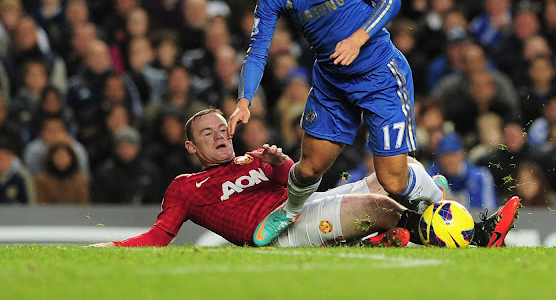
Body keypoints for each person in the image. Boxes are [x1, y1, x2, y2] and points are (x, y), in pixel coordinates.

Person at [228, 0, 445, 247]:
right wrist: (244, 101)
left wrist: (358, 38)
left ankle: (437, 196)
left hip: (380, 75)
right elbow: (257, 50)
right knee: (309, 167)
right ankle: (290, 210)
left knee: (393, 181)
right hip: (332, 84)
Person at [89, 108, 520, 248]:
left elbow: (295, 184)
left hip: (303, 206)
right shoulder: (185, 186)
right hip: (279, 233)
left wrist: (280, 164)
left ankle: (408, 225)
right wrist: (110, 248)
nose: (220, 136)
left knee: (399, 171)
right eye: (208, 134)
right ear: (191, 147)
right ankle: (474, 237)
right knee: (378, 207)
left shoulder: (253, 160)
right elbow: (159, 236)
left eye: (223, 129)